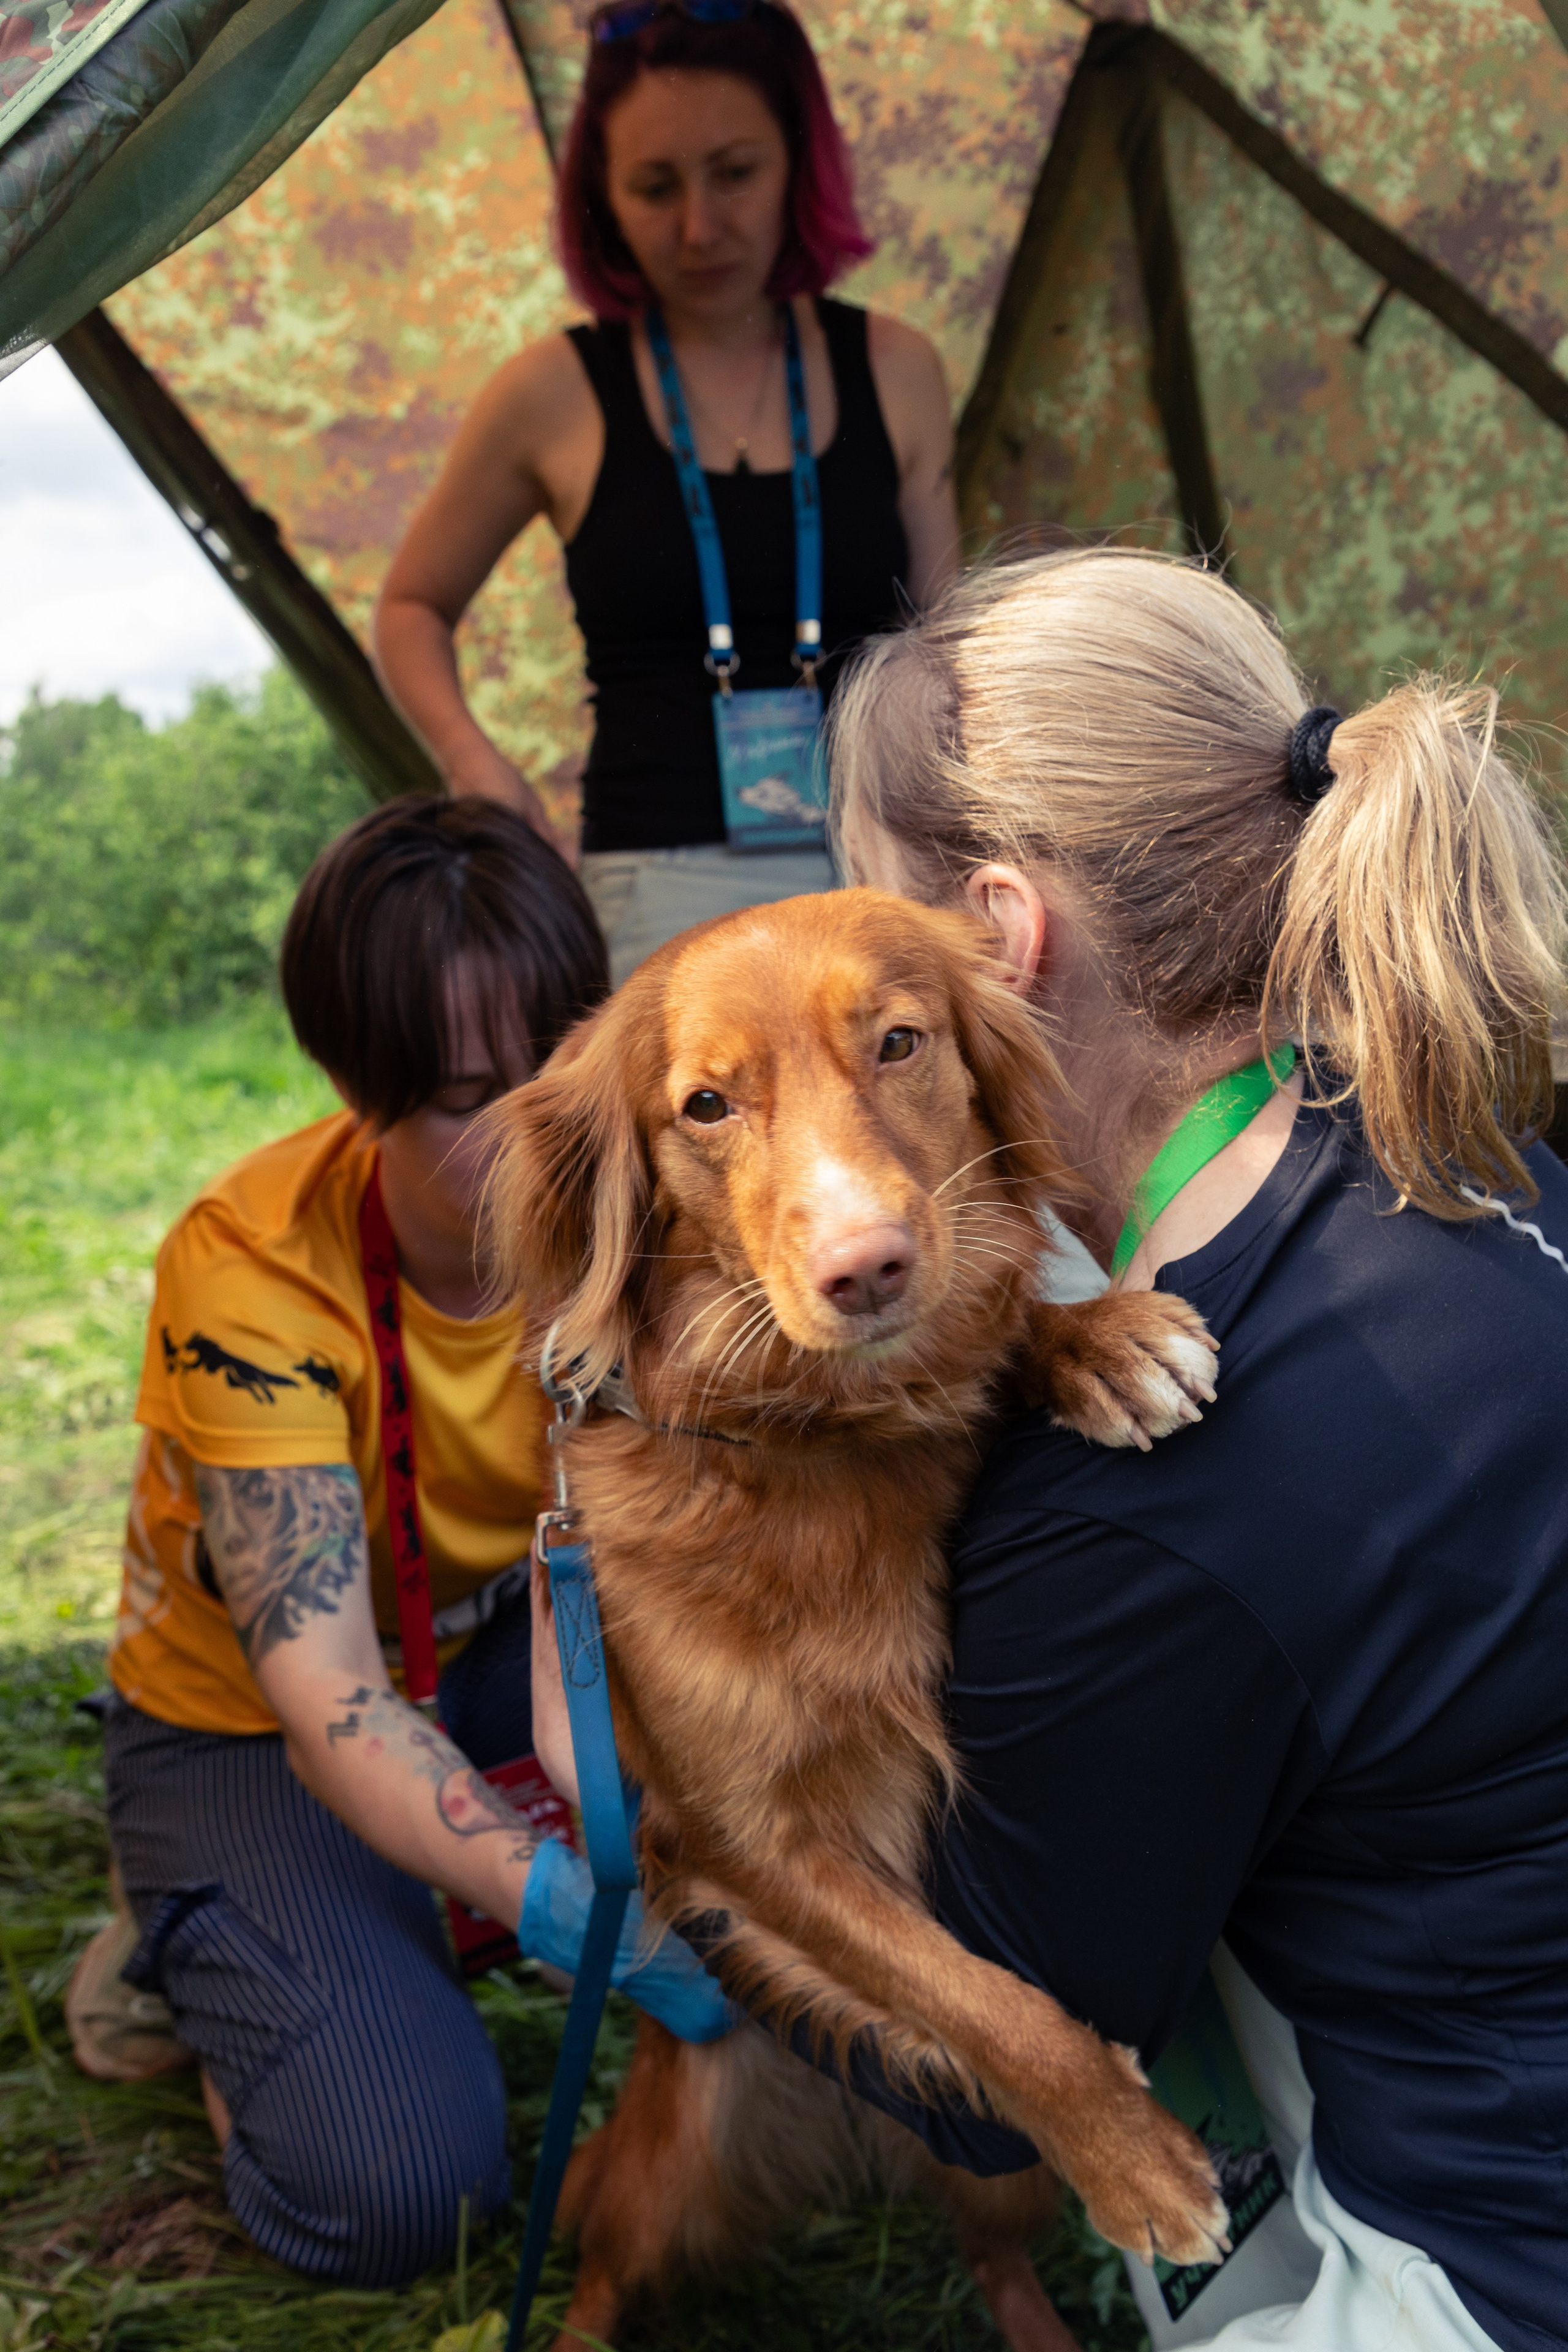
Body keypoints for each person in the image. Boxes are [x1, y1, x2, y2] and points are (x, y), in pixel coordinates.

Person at [525, 549, 1568, 2351]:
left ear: (1000, 941)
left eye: (873, 942)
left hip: (1488, 2256)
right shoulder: (1472, 1155)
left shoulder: (1164, 1500)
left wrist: (639, 1783)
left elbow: (964, 2079)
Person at [72, 796, 720, 2288]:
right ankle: (193, 1944)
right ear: (354, 1085)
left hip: (488, 1641)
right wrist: (566, 1906)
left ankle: (342, 1937)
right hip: (244, 1723)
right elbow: (331, 1697)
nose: (517, 1141)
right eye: (451, 1098)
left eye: (545, 1073)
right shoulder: (251, 1279)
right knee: (404, 2192)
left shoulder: (638, 1187)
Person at [373, 0, 957, 983]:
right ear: (600, 195)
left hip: (887, 870)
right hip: (651, 896)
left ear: (797, 163)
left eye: (735, 173)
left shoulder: (899, 368)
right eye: (653, 187)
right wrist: (474, 763)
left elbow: (951, 640)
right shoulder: (547, 393)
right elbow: (410, 607)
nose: (699, 227)